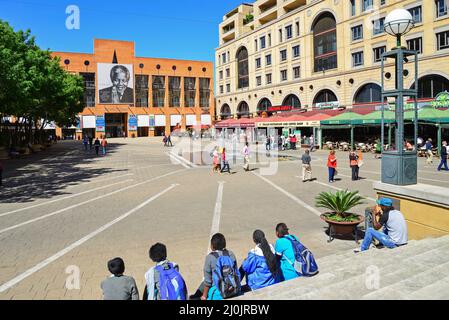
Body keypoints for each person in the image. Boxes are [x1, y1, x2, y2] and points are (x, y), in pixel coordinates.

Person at [190, 233, 240, 300]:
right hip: (235, 289)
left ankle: (195, 296)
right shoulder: (231, 254)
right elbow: (236, 271)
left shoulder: (210, 257)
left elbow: (208, 282)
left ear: (212, 246)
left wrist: (204, 296)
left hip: (219, 294)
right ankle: (195, 295)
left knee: (206, 282)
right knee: (204, 283)